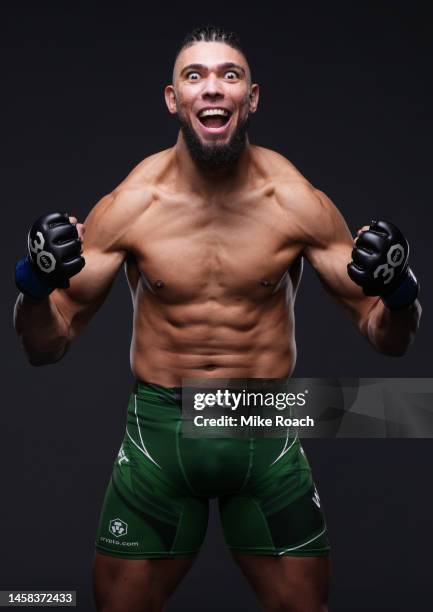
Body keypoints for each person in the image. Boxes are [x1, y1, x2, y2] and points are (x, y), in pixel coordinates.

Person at [14, 26, 421, 612]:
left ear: (251, 98)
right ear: (173, 98)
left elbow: (387, 338)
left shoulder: (295, 201)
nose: (213, 89)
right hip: (159, 434)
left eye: (230, 76)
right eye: (195, 76)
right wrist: (33, 285)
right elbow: (45, 345)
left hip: (263, 426)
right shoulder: (133, 204)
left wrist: (401, 289)